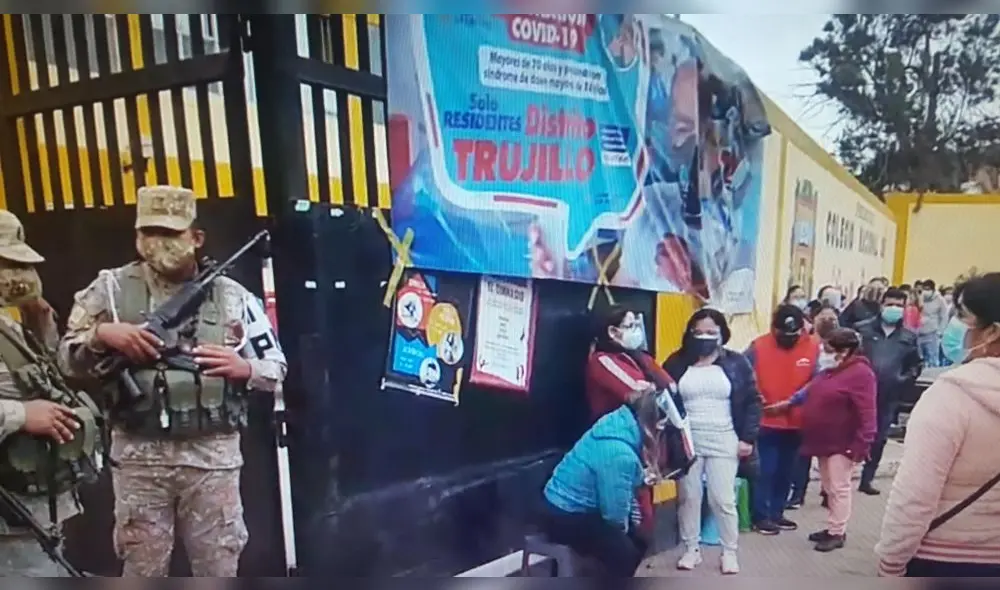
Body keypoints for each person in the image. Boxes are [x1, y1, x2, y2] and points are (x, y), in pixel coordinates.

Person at [57, 186, 287, 577]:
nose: (156, 243)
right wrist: (102, 336)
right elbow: (66, 361)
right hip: (139, 458)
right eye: (147, 232)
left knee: (217, 566)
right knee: (142, 566)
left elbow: (276, 368)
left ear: (196, 238)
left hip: (212, 459)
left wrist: (244, 368)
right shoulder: (109, 290)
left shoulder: (233, 297)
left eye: (170, 233)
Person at [876, 273, 1000, 577]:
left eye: (962, 316)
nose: (954, 326)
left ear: (991, 333)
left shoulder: (951, 397)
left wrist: (890, 562)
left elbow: (914, 497)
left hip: (945, 560)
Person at [0, 211, 102, 576]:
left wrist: (42, 330)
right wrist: (22, 415)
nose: (17, 276)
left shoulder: (9, 324)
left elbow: (45, 382)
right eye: (7, 264)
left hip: (37, 508)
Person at [662, 308, 760, 574]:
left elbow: (752, 401)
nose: (704, 337)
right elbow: (663, 399)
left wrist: (748, 438)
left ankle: (729, 551)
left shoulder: (737, 362)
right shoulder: (676, 363)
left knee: (722, 498)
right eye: (699, 332)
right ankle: (691, 549)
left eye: (711, 332)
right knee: (689, 497)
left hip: (725, 438)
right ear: (690, 334)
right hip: (687, 442)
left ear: (721, 334)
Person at [770, 328, 877, 552]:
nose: (823, 354)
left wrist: (861, 444)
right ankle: (832, 527)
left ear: (844, 351)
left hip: (843, 442)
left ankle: (837, 532)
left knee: (839, 487)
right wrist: (790, 402)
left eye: (828, 350)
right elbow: (810, 389)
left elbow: (868, 413)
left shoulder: (861, 374)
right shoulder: (830, 370)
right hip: (824, 440)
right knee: (829, 487)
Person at [540, 389, 664, 577]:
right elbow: (614, 515)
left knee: (638, 541)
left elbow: (622, 483)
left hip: (564, 503)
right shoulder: (620, 452)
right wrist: (626, 534)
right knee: (625, 553)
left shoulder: (618, 423)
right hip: (563, 513)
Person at [584, 304, 676, 537]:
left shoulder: (640, 358)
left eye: (637, 324)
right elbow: (642, 393)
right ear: (612, 332)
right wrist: (656, 390)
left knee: (646, 512)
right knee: (629, 514)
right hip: (617, 446)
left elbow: (671, 387)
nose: (636, 330)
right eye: (629, 325)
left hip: (645, 446)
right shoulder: (602, 360)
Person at [744, 305, 818, 535]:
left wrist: (791, 402)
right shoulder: (757, 347)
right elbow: (745, 376)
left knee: (787, 471)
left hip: (796, 421)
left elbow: (818, 380)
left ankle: (777, 513)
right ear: (773, 328)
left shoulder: (814, 348)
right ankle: (761, 516)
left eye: (793, 334)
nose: (789, 338)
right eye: (783, 334)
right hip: (766, 421)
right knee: (766, 470)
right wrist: (759, 398)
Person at [855, 287, 922, 496]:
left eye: (899, 306)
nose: (894, 309)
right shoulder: (863, 330)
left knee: (879, 438)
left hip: (888, 396)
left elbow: (915, 365)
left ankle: (867, 478)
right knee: (848, 436)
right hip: (858, 394)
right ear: (881, 305)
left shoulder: (908, 337)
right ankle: (832, 486)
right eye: (890, 304)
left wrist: (903, 380)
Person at [786, 306, 839, 509]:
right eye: (823, 317)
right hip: (807, 408)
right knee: (803, 455)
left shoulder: (843, 345)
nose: (828, 320)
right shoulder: (807, 345)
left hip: (832, 409)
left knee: (829, 455)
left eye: (832, 317)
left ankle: (829, 492)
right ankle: (798, 494)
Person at [916, 279, 949, 368]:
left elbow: (944, 316)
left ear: (933, 289)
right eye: (924, 289)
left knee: (932, 358)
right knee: (918, 358)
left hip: (932, 332)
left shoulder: (940, 299)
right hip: (918, 332)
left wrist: (940, 331)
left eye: (928, 289)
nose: (926, 292)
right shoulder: (919, 297)